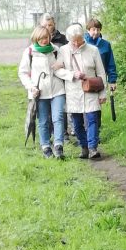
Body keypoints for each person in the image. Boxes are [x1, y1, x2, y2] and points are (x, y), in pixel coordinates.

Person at [18, 25, 67, 159]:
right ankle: (45, 146)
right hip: (39, 92)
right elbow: (22, 73)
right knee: (43, 121)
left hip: (57, 89)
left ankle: (58, 146)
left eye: (46, 37)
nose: (44, 40)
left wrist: (61, 65)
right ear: (36, 38)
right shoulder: (29, 52)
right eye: (41, 38)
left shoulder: (56, 50)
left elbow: (64, 65)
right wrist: (31, 87)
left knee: (58, 118)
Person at [60, 23, 108, 159]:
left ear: (83, 37)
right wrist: (71, 74)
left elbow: (101, 73)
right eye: (73, 40)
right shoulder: (63, 50)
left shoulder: (93, 50)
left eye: (78, 39)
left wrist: (103, 93)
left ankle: (93, 148)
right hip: (73, 92)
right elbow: (57, 70)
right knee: (77, 122)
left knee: (92, 119)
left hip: (91, 90)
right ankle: (84, 147)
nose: (75, 43)